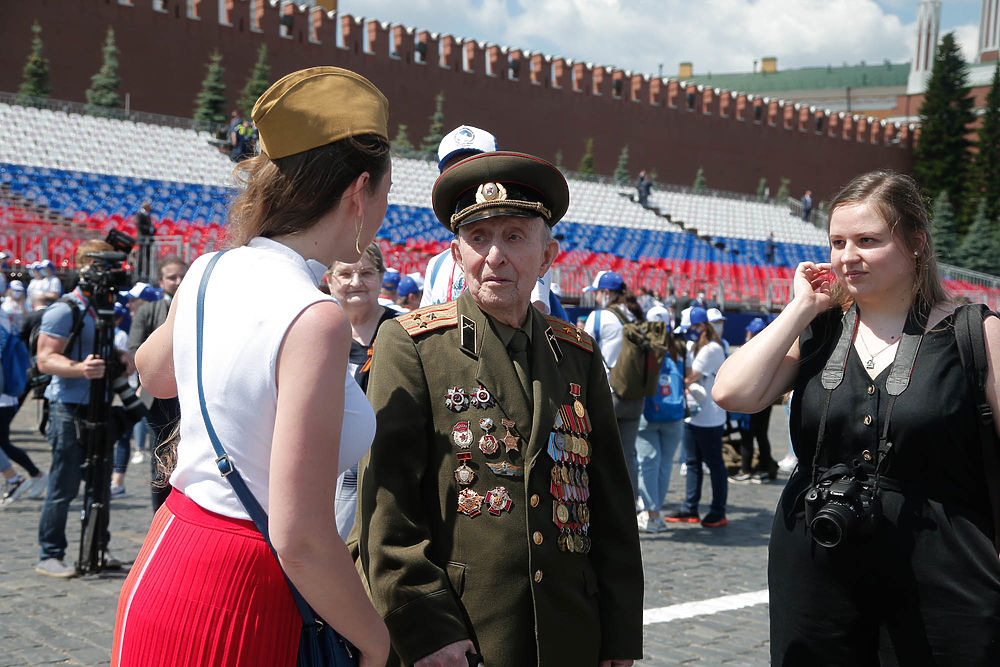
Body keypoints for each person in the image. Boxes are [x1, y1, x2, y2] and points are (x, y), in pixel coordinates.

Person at [112, 66, 392, 667]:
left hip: (169, 553)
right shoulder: (314, 318)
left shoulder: (212, 267)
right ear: (358, 192)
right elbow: (302, 536)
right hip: (242, 592)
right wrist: (374, 641)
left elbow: (153, 373)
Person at [355, 151, 643, 666]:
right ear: (456, 253)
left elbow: (612, 506)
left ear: (547, 254)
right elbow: (387, 506)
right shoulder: (414, 346)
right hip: (463, 633)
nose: (494, 257)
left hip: (569, 632)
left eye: (514, 237)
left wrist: (619, 637)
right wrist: (424, 628)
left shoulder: (575, 353)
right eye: (479, 239)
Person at [713, 170, 1000, 663]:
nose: (848, 256)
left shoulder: (975, 333)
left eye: (868, 240)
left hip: (943, 573)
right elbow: (733, 392)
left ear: (916, 244)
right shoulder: (818, 332)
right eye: (837, 242)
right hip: (818, 568)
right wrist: (801, 309)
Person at [35, 239, 134, 577]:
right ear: (83, 266)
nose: (106, 274)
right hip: (68, 406)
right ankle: (50, 553)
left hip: (100, 404)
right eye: (100, 266)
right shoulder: (66, 309)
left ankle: (97, 547)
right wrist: (80, 368)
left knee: (100, 482)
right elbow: (45, 359)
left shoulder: (101, 309)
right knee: (64, 484)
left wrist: (121, 359)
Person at [325, 243, 399, 540]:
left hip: (388, 464)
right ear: (329, 279)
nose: (356, 283)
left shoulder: (402, 330)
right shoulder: (315, 329)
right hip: (330, 465)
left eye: (366, 273)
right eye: (345, 274)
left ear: (381, 277)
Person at [126, 257, 188, 511]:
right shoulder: (147, 311)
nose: (179, 281)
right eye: (172, 277)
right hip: (158, 398)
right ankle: (160, 511)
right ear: (161, 282)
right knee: (162, 456)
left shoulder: (203, 310)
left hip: (190, 395)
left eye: (183, 276)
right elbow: (134, 348)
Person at [584, 270, 646, 500]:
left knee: (597, 454)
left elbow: (583, 352)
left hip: (608, 393)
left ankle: (602, 507)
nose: (596, 299)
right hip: (634, 394)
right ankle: (630, 506)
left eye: (598, 294)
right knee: (628, 455)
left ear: (606, 293)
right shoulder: (636, 316)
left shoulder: (599, 318)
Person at [666, 306, 729, 527]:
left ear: (701, 326)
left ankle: (718, 510)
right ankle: (690, 507)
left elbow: (691, 377)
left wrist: (672, 379)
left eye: (691, 328)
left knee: (714, 464)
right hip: (694, 413)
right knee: (692, 463)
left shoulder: (712, 349)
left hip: (710, 415)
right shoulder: (695, 346)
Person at [635, 306, 686, 533]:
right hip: (674, 413)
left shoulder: (641, 347)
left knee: (648, 463)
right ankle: (654, 512)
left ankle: (652, 513)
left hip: (648, 412)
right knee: (664, 465)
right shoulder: (679, 348)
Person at [729, 317, 777, 484]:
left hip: (751, 398)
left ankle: (746, 469)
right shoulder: (771, 349)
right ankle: (762, 468)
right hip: (765, 399)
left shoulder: (751, 349)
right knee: (761, 435)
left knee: (747, 435)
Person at [134, 202, 156, 283]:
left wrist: (152, 230)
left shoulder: (148, 215)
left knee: (147, 257)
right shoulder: (139, 214)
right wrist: (149, 229)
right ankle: (139, 274)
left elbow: (151, 226)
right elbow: (139, 226)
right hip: (142, 239)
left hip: (148, 239)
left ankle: (147, 274)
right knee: (141, 256)